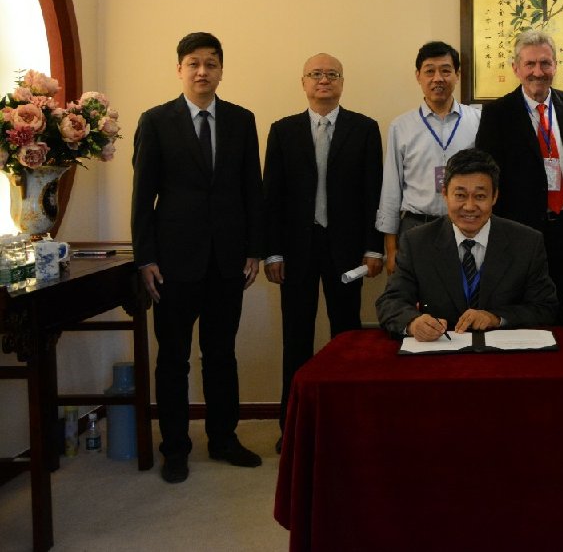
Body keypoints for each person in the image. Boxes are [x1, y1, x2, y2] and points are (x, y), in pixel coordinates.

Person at [131, 32, 264, 483]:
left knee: (221, 353)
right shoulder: (155, 121)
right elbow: (142, 196)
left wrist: (253, 250)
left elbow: (252, 191)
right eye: (193, 63)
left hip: (228, 261)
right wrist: (145, 257)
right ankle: (175, 448)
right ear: (180, 69)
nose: (202, 71)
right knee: (173, 358)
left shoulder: (242, 120)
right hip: (172, 263)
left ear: (221, 69)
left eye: (210, 63)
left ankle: (224, 438)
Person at [262, 53, 383, 452]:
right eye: (316, 74)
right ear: (303, 83)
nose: (324, 81)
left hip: (347, 249)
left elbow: (372, 193)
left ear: (342, 82)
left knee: (346, 337)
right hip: (296, 250)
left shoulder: (364, 129)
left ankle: (347, 424)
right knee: (295, 339)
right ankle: (292, 427)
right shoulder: (283, 131)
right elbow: (272, 197)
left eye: (332, 74)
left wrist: (373, 246)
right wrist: (273, 253)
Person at [376, 149, 559, 338]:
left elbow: (545, 307)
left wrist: (496, 318)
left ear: (494, 196)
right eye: (460, 195)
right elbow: (391, 302)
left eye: (480, 196)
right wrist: (413, 323)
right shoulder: (416, 242)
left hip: (503, 355)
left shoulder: (527, 242)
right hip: (440, 353)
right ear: (445, 194)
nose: (470, 207)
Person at [475, 29, 563, 302]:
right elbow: (488, 178)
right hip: (520, 232)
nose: (538, 72)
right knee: (527, 307)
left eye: (545, 63)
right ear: (516, 68)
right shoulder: (497, 114)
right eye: (530, 64)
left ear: (555, 65)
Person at [376, 41, 481, 271]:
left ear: (457, 75)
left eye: (445, 70)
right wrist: (391, 249)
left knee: (463, 299)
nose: (438, 78)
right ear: (418, 76)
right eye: (429, 71)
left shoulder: (477, 122)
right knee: (416, 300)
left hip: (466, 226)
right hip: (416, 226)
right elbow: (392, 189)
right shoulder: (401, 126)